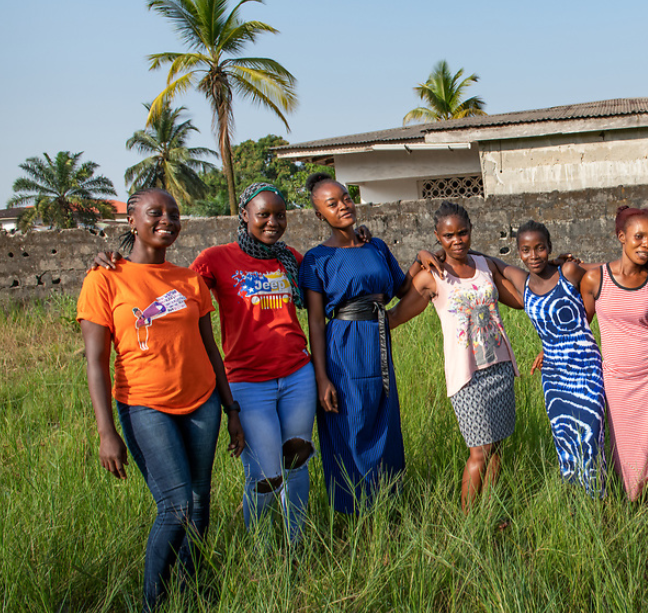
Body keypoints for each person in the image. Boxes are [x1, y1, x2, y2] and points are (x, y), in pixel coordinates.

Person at [78, 188, 244, 613]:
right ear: (132, 220)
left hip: (203, 403)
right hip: (144, 406)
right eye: (155, 213)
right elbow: (96, 364)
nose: (166, 219)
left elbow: (211, 350)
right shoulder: (104, 278)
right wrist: (106, 432)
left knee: (200, 503)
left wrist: (231, 411)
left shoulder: (188, 279)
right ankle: (152, 611)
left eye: (173, 213)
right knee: (175, 507)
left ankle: (193, 593)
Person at [190, 182, 315, 544]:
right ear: (244, 216)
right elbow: (175, 288)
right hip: (247, 382)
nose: (272, 222)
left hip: (297, 376)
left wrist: (359, 237)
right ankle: (261, 551)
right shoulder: (215, 259)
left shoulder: (289, 257)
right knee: (265, 474)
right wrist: (117, 266)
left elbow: (324, 286)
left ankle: (299, 543)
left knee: (297, 460)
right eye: (264, 215)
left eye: (280, 215)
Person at [299, 174, 422, 514]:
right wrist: (322, 378)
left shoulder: (376, 246)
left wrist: (423, 258)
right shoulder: (315, 259)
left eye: (346, 198)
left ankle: (388, 505)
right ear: (320, 214)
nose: (343, 206)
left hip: (378, 341)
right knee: (348, 424)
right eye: (332, 204)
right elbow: (314, 321)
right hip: (343, 346)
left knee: (383, 420)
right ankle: (353, 510)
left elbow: (401, 289)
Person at [389, 201, 523, 512]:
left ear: (471, 231)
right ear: (438, 236)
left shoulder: (485, 266)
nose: (457, 240)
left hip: (499, 366)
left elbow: (518, 300)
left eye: (463, 233)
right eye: (449, 235)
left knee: (497, 445)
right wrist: (355, 326)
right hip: (467, 374)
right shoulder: (433, 275)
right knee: (480, 449)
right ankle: (468, 521)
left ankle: (488, 511)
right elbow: (396, 312)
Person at [490, 220, 607, 496]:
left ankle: (600, 501)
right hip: (553, 373)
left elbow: (607, 272)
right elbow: (491, 262)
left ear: (550, 248)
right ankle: (576, 502)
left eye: (540, 248)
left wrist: (571, 262)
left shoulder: (567, 272)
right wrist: (430, 256)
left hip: (585, 368)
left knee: (591, 436)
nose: (533, 256)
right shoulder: (524, 282)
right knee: (564, 437)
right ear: (519, 252)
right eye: (526, 250)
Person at [580, 206, 648, 501]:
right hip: (616, 377)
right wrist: (550, 351)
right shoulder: (594, 280)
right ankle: (631, 502)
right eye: (638, 237)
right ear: (621, 237)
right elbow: (581, 327)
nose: (646, 245)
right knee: (623, 445)